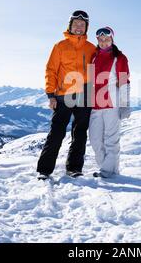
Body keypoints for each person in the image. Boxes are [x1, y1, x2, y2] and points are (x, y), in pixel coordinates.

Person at [37, 10, 96, 180]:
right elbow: (51, 70)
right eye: (76, 24)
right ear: (70, 25)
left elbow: (97, 70)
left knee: (79, 134)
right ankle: (44, 170)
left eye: (82, 24)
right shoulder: (60, 46)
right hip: (63, 95)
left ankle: (74, 168)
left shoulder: (91, 48)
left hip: (84, 96)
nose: (79, 27)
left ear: (86, 27)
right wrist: (50, 94)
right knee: (56, 132)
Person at [89, 27, 131, 178]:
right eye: (100, 39)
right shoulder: (93, 57)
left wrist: (125, 104)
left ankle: (108, 171)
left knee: (111, 140)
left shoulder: (119, 58)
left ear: (112, 39)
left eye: (107, 39)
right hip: (95, 105)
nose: (103, 42)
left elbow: (124, 82)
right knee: (94, 140)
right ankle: (107, 168)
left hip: (112, 104)